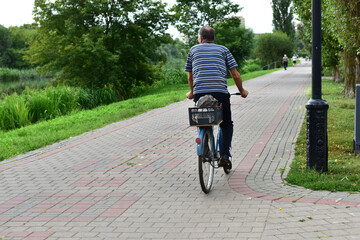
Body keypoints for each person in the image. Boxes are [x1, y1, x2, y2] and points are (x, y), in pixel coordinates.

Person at [185, 26, 248, 169]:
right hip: (220, 93)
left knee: (203, 120)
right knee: (226, 124)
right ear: (213, 38)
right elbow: (235, 74)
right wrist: (242, 91)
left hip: (200, 93)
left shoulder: (193, 50)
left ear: (200, 38)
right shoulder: (223, 50)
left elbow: (190, 76)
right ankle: (225, 156)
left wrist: (192, 92)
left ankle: (205, 150)